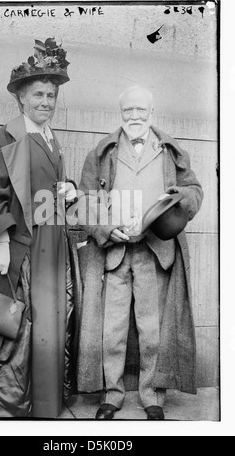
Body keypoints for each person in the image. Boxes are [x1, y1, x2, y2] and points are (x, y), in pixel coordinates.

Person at [0, 38, 77, 418]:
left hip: (50, 244)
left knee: (45, 323)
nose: (46, 102)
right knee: (14, 325)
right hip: (18, 247)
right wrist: (2, 244)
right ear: (22, 99)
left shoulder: (52, 140)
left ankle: (42, 405)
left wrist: (69, 189)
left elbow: (47, 188)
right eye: (39, 94)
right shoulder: (5, 139)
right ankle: (2, 412)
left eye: (51, 96)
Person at [76, 84, 203, 420]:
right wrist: (104, 229)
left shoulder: (170, 152)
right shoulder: (101, 153)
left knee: (152, 331)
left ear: (152, 112)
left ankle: (152, 397)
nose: (134, 116)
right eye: (128, 110)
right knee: (111, 330)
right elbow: (86, 201)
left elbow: (195, 191)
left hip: (155, 251)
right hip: (114, 254)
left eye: (140, 110)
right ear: (121, 113)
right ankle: (112, 395)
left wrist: (180, 198)